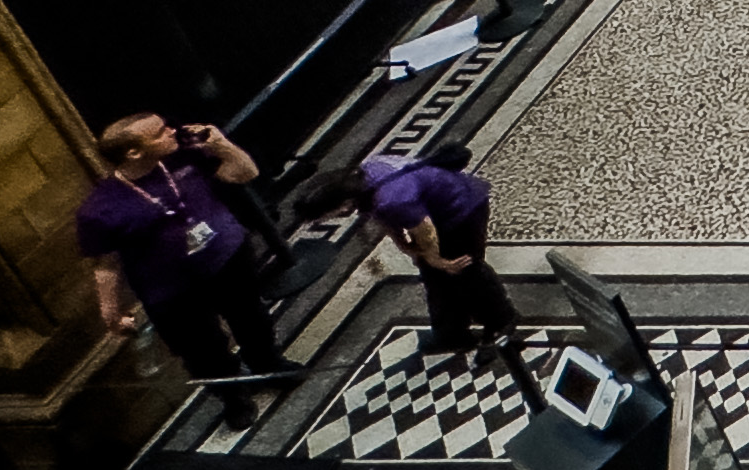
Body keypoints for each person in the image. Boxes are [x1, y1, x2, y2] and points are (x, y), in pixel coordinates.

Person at [76, 111, 285, 424]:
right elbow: (105, 263)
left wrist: (222, 146)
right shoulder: (99, 209)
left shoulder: (188, 155)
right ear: (134, 152)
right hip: (171, 290)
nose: (172, 131)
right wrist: (111, 312)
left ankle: (270, 366)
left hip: (226, 259)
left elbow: (246, 173)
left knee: (251, 318)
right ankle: (233, 397)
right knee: (203, 351)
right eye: (160, 132)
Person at [320, 142, 516, 357]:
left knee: (464, 268)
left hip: (462, 208)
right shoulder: (365, 177)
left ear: (342, 202)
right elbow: (386, 218)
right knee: (435, 277)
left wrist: (435, 259)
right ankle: (451, 333)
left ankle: (501, 321)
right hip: (432, 210)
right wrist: (408, 248)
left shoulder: (392, 198)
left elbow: (425, 229)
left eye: (328, 214)